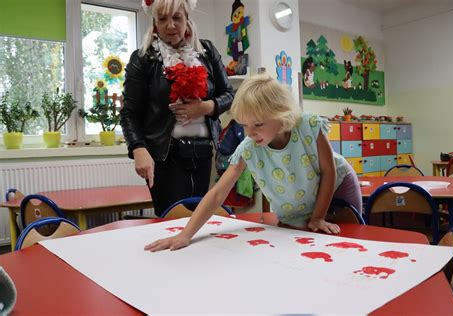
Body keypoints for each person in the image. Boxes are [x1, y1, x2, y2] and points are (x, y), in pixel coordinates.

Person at [145, 74, 362, 252]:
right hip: (301, 202)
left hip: (338, 186)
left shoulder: (308, 125)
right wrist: (185, 235)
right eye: (244, 125)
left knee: (353, 242)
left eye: (257, 124)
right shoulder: (249, 148)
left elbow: (328, 171)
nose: (250, 133)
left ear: (282, 114)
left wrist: (318, 216)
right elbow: (217, 194)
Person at [120, 0, 234, 216]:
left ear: (187, 18)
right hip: (165, 157)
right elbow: (128, 112)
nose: (170, 25)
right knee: (171, 222)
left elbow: (229, 95)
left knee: (201, 223)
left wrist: (205, 107)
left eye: (176, 18)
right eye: (162, 19)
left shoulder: (207, 52)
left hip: (204, 153)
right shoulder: (143, 58)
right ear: (154, 23)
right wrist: (138, 148)